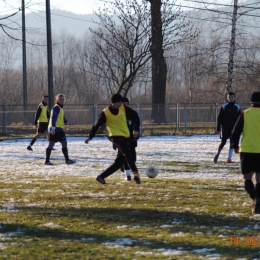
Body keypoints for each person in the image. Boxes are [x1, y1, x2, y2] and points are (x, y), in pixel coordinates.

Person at [84, 93, 141, 184]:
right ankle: (136, 175)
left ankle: (101, 177)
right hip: (115, 137)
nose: (120, 104)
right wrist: (90, 137)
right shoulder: (105, 113)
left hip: (125, 137)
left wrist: (136, 129)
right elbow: (96, 125)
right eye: (119, 102)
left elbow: (136, 115)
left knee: (118, 163)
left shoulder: (123, 108)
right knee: (128, 153)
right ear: (113, 102)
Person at [231, 92, 260, 214]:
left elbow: (235, 132)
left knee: (246, 177)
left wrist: (235, 146)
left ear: (251, 102)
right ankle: (259, 201)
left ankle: (255, 198)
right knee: (259, 178)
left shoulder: (245, 114)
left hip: (247, 150)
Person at [113, 97, 139, 181]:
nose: (124, 106)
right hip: (121, 139)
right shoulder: (118, 115)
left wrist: (136, 136)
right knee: (124, 157)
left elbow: (136, 124)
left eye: (126, 104)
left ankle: (124, 168)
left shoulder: (131, 114)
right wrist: (114, 141)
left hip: (130, 139)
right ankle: (128, 175)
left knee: (133, 158)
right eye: (123, 104)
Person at [45, 94, 74, 165]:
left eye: (63, 99)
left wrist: (67, 122)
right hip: (56, 129)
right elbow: (53, 118)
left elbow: (62, 118)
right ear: (56, 100)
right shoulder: (56, 108)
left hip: (58, 129)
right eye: (60, 99)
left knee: (59, 143)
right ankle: (48, 161)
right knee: (56, 144)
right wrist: (53, 128)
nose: (62, 100)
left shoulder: (60, 108)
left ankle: (48, 161)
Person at [214, 92, 241, 163]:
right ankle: (217, 154)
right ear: (227, 98)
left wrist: (239, 128)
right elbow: (220, 117)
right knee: (223, 142)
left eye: (232, 97)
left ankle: (229, 158)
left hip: (234, 129)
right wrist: (218, 127)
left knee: (232, 143)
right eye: (229, 97)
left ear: (234, 98)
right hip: (225, 128)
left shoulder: (237, 107)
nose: (231, 99)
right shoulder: (224, 106)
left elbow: (240, 119)